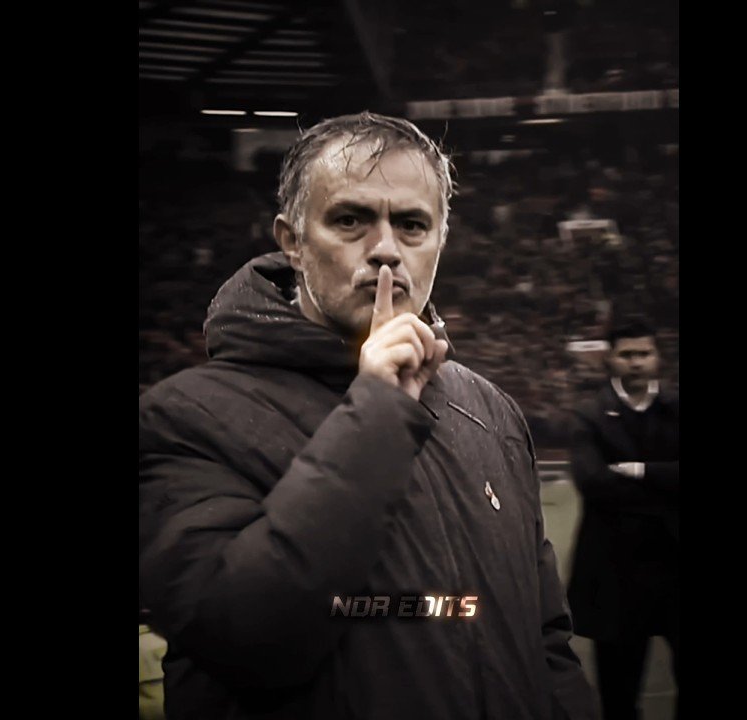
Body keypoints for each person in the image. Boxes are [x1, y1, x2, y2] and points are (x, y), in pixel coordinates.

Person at [139, 112, 598, 720]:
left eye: (412, 225)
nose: (385, 250)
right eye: (350, 220)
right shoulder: (185, 417)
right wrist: (378, 408)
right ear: (292, 241)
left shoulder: (489, 410)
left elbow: (545, 640)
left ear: (440, 242)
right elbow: (246, 640)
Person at [565, 319, 679, 720]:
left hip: (675, 568)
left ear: (657, 357)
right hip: (616, 576)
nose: (636, 362)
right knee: (619, 695)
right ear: (610, 359)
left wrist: (641, 471)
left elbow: (609, 486)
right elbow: (593, 483)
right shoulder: (588, 415)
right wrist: (667, 487)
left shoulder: (676, 408)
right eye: (627, 354)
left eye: (644, 353)